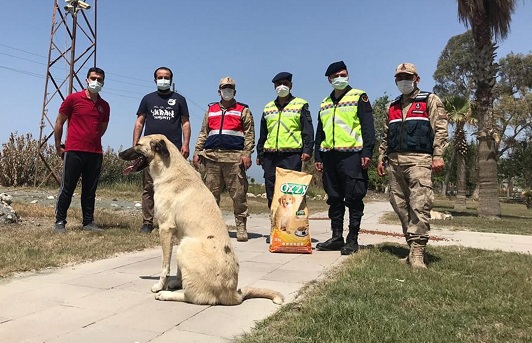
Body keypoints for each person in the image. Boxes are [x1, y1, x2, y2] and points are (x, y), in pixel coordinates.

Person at [377, 62, 448, 268]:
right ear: (395, 81)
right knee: (399, 205)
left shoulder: (429, 100)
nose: (404, 81)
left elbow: (441, 129)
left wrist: (438, 155)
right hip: (394, 162)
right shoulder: (391, 106)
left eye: (408, 77)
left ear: (417, 79)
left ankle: (418, 251)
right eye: (400, 78)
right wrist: (381, 157)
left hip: (419, 161)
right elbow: (386, 135)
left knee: (419, 204)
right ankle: (411, 247)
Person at [314, 61, 375, 255]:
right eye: (336, 76)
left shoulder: (359, 96)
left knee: (354, 198)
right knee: (334, 198)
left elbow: (368, 127)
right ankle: (337, 236)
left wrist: (367, 152)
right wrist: (318, 155)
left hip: (352, 155)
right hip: (329, 156)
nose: (341, 78)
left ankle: (352, 239)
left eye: (344, 74)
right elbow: (319, 132)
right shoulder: (324, 102)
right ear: (329, 79)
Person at [193, 77, 255, 242]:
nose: (227, 90)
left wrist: (247, 154)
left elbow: (249, 134)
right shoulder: (211, 110)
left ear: (235, 91)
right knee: (210, 196)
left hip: (234, 158)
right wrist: (198, 151)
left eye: (230, 88)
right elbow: (203, 132)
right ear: (219, 91)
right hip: (212, 157)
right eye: (224, 88)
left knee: (238, 194)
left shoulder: (243, 110)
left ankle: (241, 226)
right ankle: (210, 228)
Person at [256, 72, 314, 243]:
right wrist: (260, 153)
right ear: (274, 87)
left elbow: (307, 130)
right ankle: (275, 229)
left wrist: (308, 149)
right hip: (270, 156)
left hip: (291, 155)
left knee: (290, 195)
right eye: (278, 84)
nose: (281, 86)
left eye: (285, 83)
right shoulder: (268, 108)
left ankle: (292, 228)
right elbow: (263, 133)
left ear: (291, 85)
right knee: (272, 194)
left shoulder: (300, 105)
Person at [133, 66, 191, 234]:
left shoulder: (179, 99)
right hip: (150, 151)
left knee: (175, 186)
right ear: (155, 80)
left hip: (172, 151)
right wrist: (136, 144)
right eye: (160, 77)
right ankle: (147, 222)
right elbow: (139, 122)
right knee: (149, 187)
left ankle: (172, 221)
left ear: (171, 80)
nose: (163, 80)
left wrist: (186, 143)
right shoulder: (148, 99)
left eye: (166, 77)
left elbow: (185, 123)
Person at [53, 67, 110, 233]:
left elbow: (102, 128)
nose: (96, 82)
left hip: (95, 153)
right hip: (73, 150)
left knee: (90, 190)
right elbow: (59, 122)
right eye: (93, 78)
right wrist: (58, 145)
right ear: (86, 80)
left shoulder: (104, 106)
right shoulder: (73, 99)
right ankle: (60, 221)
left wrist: (91, 139)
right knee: (67, 188)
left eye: (99, 79)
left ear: (103, 83)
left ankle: (88, 222)